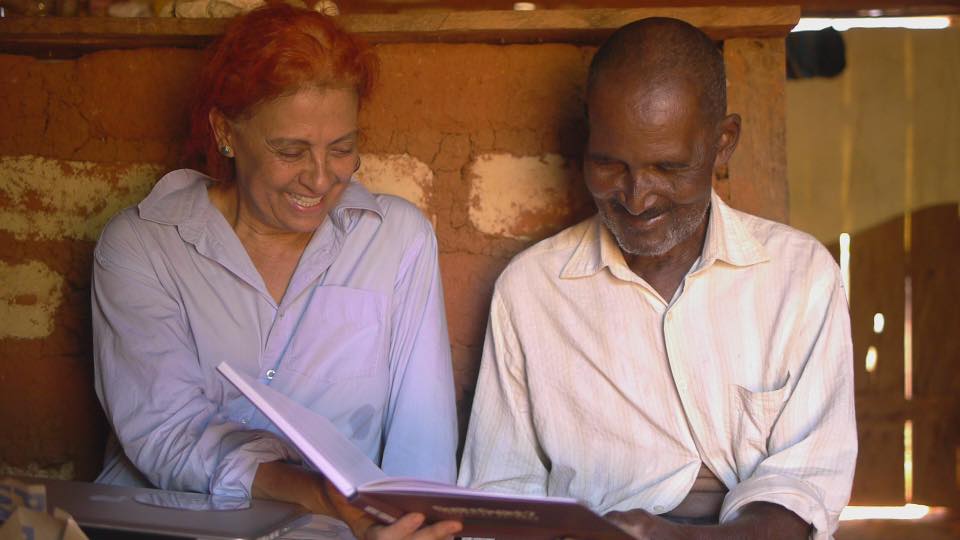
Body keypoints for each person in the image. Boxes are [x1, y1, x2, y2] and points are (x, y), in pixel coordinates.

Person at [458, 17, 856, 540]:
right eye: (608, 164)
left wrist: (685, 539)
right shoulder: (532, 290)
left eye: (668, 168)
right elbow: (500, 494)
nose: (637, 196)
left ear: (723, 143)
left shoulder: (799, 277)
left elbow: (806, 483)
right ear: (588, 135)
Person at [92, 5, 461, 539]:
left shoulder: (395, 239)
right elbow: (165, 431)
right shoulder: (146, 245)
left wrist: (411, 527)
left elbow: (421, 446)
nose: (318, 178)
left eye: (342, 149)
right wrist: (321, 496)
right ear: (225, 132)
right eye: (290, 150)